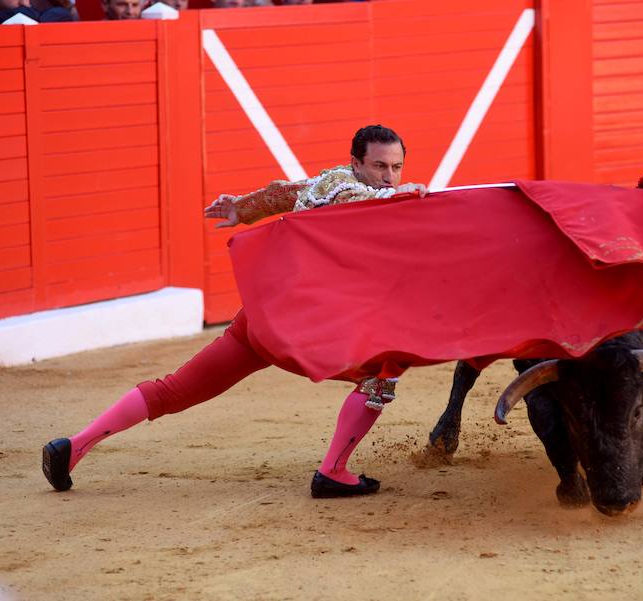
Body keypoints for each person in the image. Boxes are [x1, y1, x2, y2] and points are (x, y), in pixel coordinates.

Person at [42, 125, 428, 499]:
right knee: (382, 373)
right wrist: (408, 196)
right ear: (357, 164)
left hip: (260, 321)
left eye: (396, 168)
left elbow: (281, 194)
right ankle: (333, 472)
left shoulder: (326, 182)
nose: (389, 177)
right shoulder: (351, 193)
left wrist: (242, 208)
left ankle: (71, 448)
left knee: (174, 390)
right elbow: (361, 204)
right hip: (302, 330)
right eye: (380, 166)